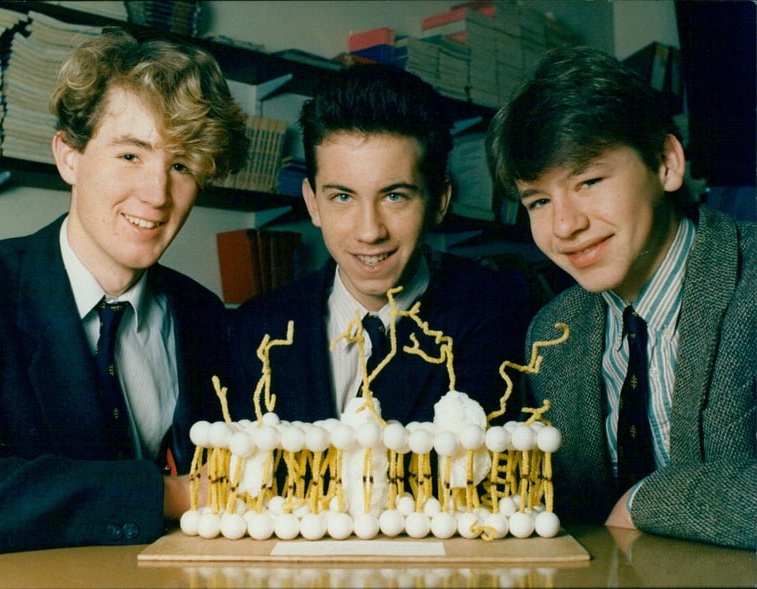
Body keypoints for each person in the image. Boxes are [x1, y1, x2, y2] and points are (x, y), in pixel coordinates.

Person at [0, 29, 248, 556]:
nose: (157, 195)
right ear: (69, 157)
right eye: (131, 156)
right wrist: (166, 495)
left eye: (180, 166)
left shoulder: (203, 314)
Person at [486, 45, 755, 550]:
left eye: (588, 181)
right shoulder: (552, 333)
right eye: (539, 201)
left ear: (666, 163)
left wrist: (647, 500)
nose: (565, 225)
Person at [227, 63, 534, 425]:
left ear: (439, 201)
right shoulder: (256, 329)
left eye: (395, 196)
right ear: (313, 203)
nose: (370, 232)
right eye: (343, 197)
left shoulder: (500, 312)